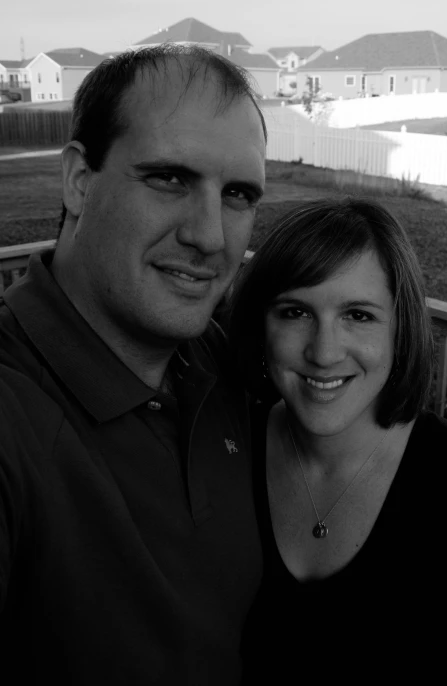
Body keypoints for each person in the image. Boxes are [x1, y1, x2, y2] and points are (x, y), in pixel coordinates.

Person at [0, 44, 266, 684]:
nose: (210, 236)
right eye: (170, 178)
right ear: (79, 181)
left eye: (237, 194)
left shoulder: (218, 362)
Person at [229, 197, 447, 685]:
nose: (324, 351)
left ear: (401, 330)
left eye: (358, 315)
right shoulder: (226, 448)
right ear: (261, 327)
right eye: (295, 311)